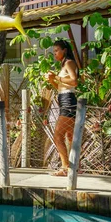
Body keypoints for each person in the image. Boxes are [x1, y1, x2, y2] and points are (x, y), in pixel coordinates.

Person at [44, 40, 79, 177]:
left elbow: (74, 81)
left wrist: (57, 77)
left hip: (68, 101)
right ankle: (75, 167)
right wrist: (52, 79)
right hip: (64, 99)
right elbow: (60, 87)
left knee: (58, 136)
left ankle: (66, 168)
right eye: (54, 51)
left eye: (57, 50)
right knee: (70, 137)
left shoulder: (69, 62)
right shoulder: (63, 64)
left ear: (64, 50)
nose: (55, 53)